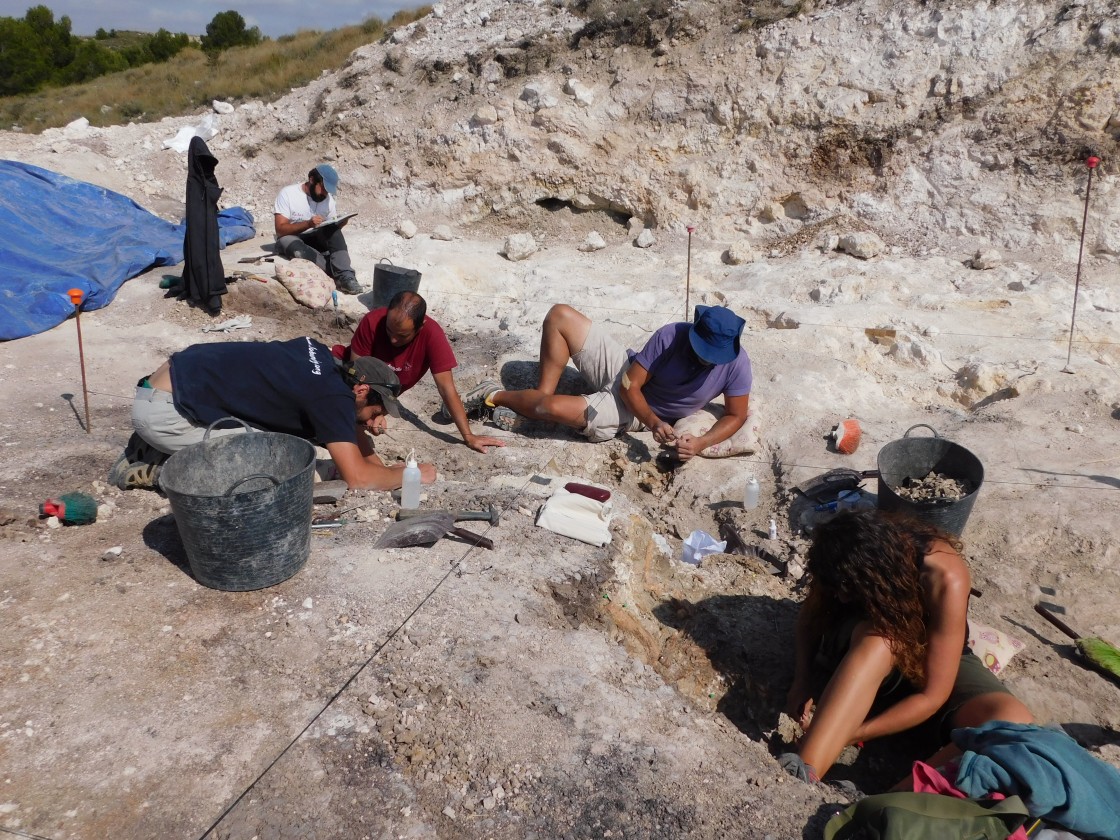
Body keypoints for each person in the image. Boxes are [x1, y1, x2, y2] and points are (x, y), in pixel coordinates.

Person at [781, 509, 1035, 783]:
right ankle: (803, 772)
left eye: (849, 590)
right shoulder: (847, 547)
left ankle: (886, 806)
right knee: (882, 641)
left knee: (1011, 720)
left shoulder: (944, 576)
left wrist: (854, 733)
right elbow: (811, 615)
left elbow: (932, 695)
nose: (842, 598)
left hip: (926, 655)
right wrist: (802, 679)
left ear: (879, 579)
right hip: (866, 647)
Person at [108, 337, 437, 492]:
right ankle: (162, 470)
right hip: (165, 414)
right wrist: (411, 475)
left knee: (267, 434)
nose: (374, 422)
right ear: (361, 391)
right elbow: (359, 479)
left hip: (162, 387)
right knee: (271, 459)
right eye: (376, 412)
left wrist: (376, 461)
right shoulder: (331, 397)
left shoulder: (322, 358)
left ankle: (155, 444)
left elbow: (353, 435)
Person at [477, 303, 752, 458]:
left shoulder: (737, 363)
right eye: (702, 352)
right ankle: (516, 395)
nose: (707, 360)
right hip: (627, 377)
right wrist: (655, 422)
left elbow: (736, 415)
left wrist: (702, 442)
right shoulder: (671, 335)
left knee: (552, 408)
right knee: (559, 316)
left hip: (630, 413)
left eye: (713, 356)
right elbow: (629, 385)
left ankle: (516, 401)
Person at [333, 291, 505, 454]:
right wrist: (368, 414)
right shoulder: (373, 321)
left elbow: (447, 388)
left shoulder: (432, 336)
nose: (393, 339)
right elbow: (355, 377)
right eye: (389, 331)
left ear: (420, 327)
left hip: (379, 393)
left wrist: (468, 437)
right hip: (345, 372)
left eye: (402, 335)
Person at [273, 164, 361, 295]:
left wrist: (340, 224)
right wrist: (308, 224)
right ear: (312, 180)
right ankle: (335, 270)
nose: (325, 194)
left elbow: (329, 226)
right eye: (324, 189)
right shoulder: (288, 194)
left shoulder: (327, 199)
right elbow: (280, 229)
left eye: (328, 191)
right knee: (297, 250)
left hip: (316, 237)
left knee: (334, 232)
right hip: (292, 236)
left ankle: (346, 276)